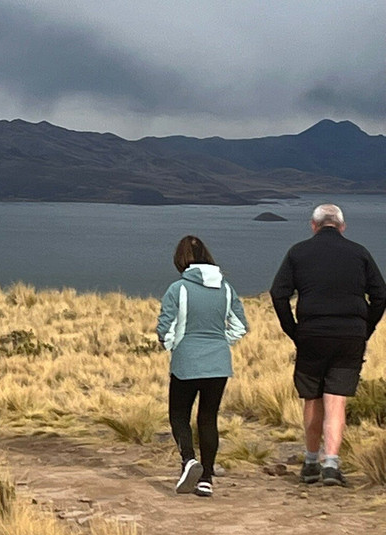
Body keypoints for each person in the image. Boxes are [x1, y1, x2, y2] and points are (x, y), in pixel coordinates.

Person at [270, 203, 386, 487]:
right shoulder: (359, 253)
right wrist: (365, 328)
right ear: (342, 226)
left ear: (314, 225)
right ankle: (331, 465)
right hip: (350, 336)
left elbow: (278, 293)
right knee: (336, 400)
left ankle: (310, 463)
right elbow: (381, 295)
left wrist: (293, 330)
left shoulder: (298, 252)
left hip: (312, 334)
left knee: (312, 397)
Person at [157, 235, 248, 497]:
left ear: (180, 259)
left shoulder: (178, 289)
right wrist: (221, 342)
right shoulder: (226, 288)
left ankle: (189, 460)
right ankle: (206, 478)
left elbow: (166, 326)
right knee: (208, 419)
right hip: (219, 363)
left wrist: (172, 344)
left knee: (179, 415)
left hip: (187, 361)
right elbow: (240, 326)